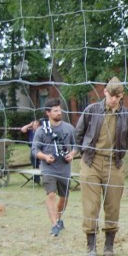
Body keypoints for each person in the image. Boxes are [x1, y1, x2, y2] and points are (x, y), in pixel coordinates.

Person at [75, 77, 128, 256]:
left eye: (117, 95)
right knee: (91, 205)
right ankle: (91, 246)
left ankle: (109, 245)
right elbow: (79, 133)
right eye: (110, 94)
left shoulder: (127, 115)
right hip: (91, 161)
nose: (113, 99)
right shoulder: (92, 110)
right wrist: (81, 153)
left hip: (114, 163)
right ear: (104, 92)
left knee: (113, 205)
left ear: (122, 95)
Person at [32, 98, 77, 237]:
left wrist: (72, 154)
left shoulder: (69, 128)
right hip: (48, 168)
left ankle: (58, 219)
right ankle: (54, 225)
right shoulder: (41, 131)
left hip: (64, 168)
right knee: (51, 194)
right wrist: (45, 157)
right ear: (48, 113)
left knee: (64, 198)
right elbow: (34, 150)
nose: (59, 112)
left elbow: (77, 146)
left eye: (59, 110)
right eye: (55, 111)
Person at [21, 119, 42, 184]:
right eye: (34, 125)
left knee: (36, 162)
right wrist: (30, 125)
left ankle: (37, 177)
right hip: (32, 149)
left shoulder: (40, 131)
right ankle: (36, 177)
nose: (35, 126)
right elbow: (23, 129)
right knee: (33, 162)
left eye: (37, 125)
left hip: (39, 149)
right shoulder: (31, 131)